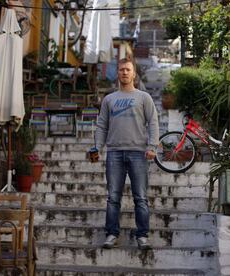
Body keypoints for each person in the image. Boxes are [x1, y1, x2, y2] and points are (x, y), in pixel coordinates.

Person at [93, 58, 159, 250]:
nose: (124, 73)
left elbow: (153, 122)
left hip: (138, 153)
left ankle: (142, 236)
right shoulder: (109, 99)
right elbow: (101, 125)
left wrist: (152, 146)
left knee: (141, 197)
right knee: (113, 197)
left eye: (128, 70)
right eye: (121, 69)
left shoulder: (144, 97)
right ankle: (112, 234)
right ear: (118, 74)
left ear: (134, 74)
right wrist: (97, 147)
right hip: (114, 153)